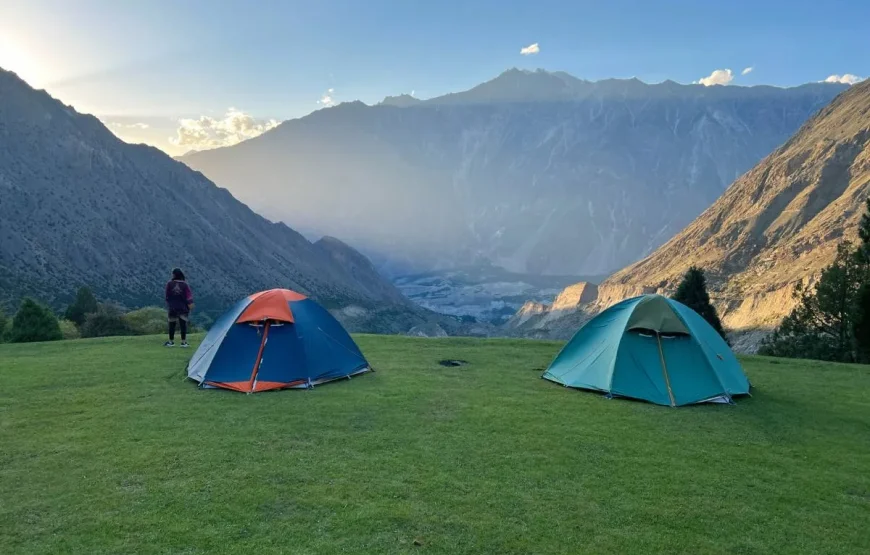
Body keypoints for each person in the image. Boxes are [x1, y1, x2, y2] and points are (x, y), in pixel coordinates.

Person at [164, 268, 193, 347]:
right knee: (183, 325)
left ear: (174, 274)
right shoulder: (185, 284)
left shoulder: (169, 284)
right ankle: (183, 343)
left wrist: (170, 304)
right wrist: (190, 307)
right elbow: (189, 297)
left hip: (172, 308)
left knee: (172, 325)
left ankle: (171, 342)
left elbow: (167, 296)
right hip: (183, 308)